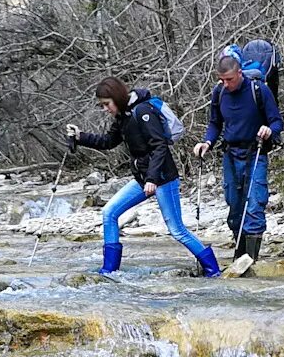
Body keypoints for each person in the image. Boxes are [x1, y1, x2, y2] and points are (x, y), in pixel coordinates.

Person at [68, 77, 221, 277]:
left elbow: (159, 146)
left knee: (177, 230)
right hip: (143, 179)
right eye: (102, 105)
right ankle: (109, 271)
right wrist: (80, 137)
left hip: (162, 178)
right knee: (109, 213)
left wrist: (152, 179)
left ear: (117, 97)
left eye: (107, 104)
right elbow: (108, 141)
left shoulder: (143, 111)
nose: (105, 109)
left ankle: (213, 269)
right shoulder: (123, 116)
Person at [192, 47, 281, 263]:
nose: (225, 84)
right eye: (221, 80)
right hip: (230, 154)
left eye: (229, 79)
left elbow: (277, 121)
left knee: (254, 205)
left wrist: (269, 130)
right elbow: (215, 123)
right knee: (234, 207)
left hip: (255, 152)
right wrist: (207, 142)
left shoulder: (258, 90)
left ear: (239, 73)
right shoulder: (219, 92)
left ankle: (250, 259)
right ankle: (240, 253)